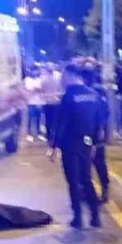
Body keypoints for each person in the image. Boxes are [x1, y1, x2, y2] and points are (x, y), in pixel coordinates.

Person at [48, 63, 103, 228]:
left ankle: (78, 217)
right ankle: (95, 216)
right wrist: (95, 143)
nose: (62, 81)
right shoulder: (94, 94)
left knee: (73, 180)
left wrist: (53, 146)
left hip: (70, 143)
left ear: (71, 76)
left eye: (64, 77)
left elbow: (61, 122)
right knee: (86, 178)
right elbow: (99, 121)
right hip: (87, 141)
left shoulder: (69, 95)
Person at [87, 65, 111, 203]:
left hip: (93, 132)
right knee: (97, 162)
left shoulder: (96, 92)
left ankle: (103, 189)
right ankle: (100, 189)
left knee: (95, 162)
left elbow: (104, 112)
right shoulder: (98, 91)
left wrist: (102, 129)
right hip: (95, 132)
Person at [24, 66, 44, 141]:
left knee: (38, 119)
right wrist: (36, 89)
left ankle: (38, 132)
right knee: (30, 118)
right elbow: (29, 89)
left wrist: (35, 89)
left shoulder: (40, 79)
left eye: (36, 70)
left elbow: (41, 90)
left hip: (38, 102)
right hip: (30, 102)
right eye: (34, 70)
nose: (35, 72)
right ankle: (29, 133)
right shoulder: (27, 79)